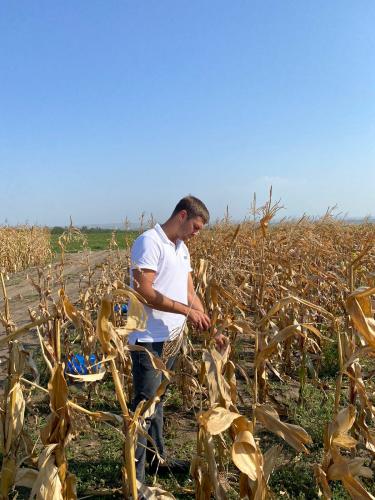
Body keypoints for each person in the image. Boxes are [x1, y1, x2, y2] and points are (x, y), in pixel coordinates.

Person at [129, 195, 224, 483]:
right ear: (182, 216)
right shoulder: (149, 242)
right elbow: (143, 290)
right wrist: (185, 311)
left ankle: (159, 461)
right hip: (148, 340)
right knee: (143, 409)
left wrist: (210, 327)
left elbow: (190, 293)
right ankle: (137, 479)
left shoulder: (182, 249)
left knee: (157, 404)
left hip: (171, 338)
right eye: (195, 226)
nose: (197, 233)